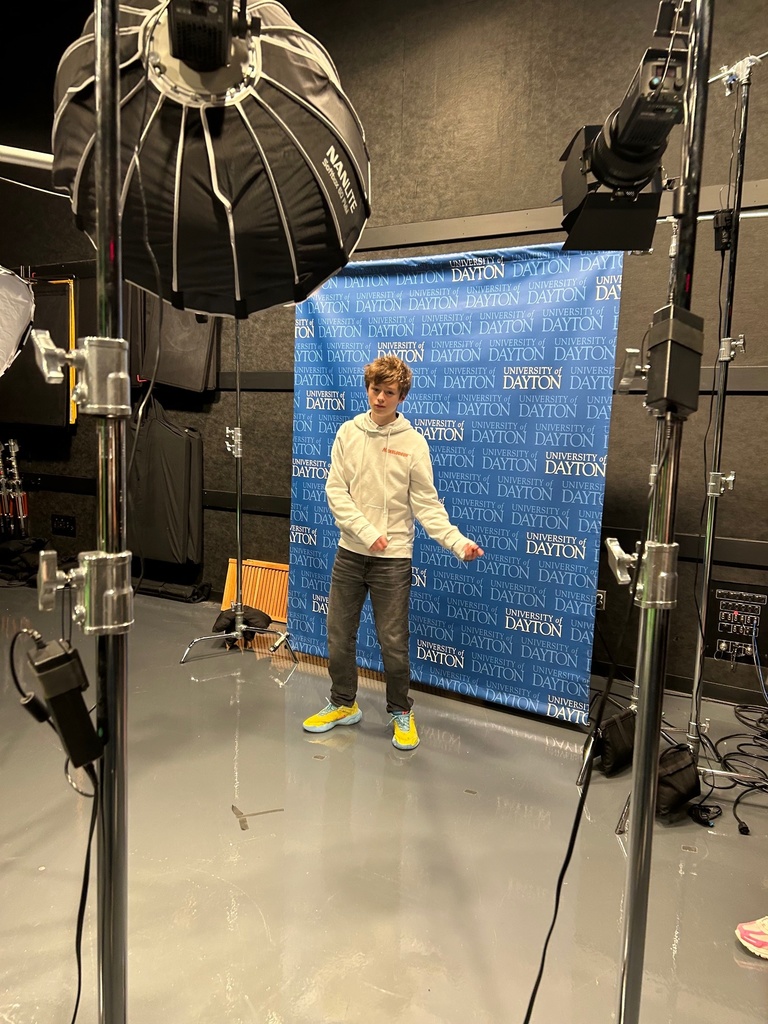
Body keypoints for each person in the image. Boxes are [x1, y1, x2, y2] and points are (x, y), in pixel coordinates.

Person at [302, 355, 484, 751]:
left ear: (402, 396)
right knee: (338, 636)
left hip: (393, 560)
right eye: (375, 389)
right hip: (350, 553)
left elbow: (427, 505)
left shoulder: (413, 443)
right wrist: (367, 533)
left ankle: (401, 710)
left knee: (393, 642)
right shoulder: (348, 433)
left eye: (389, 392)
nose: (380, 397)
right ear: (367, 389)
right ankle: (343, 703)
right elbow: (336, 492)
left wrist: (457, 542)